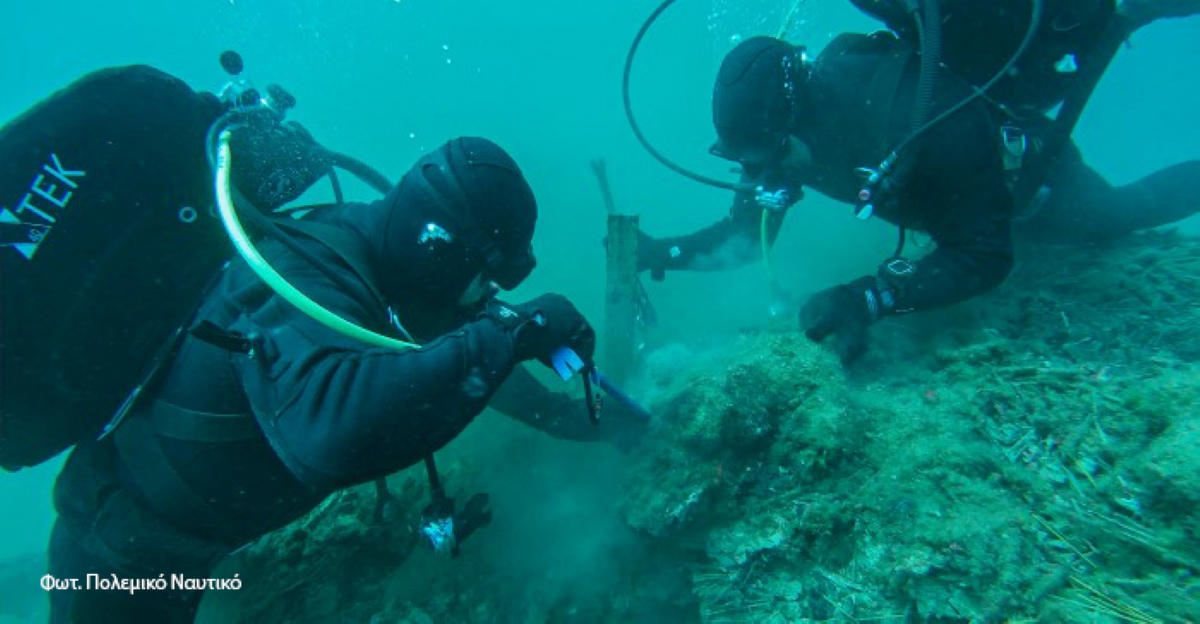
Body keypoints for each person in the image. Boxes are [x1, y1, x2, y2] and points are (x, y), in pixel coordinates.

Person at [42, 70, 644, 621]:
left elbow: (461, 355)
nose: (484, 297)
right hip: (123, 557)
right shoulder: (301, 277)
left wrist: (577, 418)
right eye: (482, 279)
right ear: (437, 248)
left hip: (193, 546)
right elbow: (331, 432)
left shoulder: (393, 266)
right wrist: (512, 331)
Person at [635, 0, 1200, 364]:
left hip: (1026, 184)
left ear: (796, 117)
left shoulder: (918, 120)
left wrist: (872, 298)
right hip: (945, 197)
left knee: (1119, 215)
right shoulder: (783, 137)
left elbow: (984, 255)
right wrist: (664, 251)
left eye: (764, 152)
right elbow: (741, 237)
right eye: (746, 155)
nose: (758, 170)